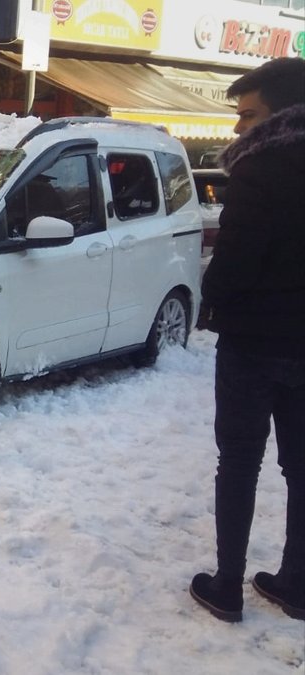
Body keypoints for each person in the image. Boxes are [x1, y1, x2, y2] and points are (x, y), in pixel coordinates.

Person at [189, 56, 305, 623]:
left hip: (253, 344)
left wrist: (211, 297)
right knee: (301, 467)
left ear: (281, 114)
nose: (238, 127)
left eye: (248, 115)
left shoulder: (260, 171)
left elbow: (233, 266)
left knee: (239, 461)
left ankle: (227, 586)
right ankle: (297, 584)